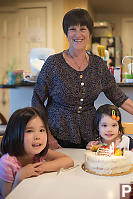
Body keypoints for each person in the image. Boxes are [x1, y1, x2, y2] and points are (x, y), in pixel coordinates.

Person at [32, 8, 133, 149]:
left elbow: (119, 97)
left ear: (90, 33)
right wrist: (47, 135)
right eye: (72, 29)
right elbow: (37, 100)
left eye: (83, 29)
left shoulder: (98, 64)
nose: (78, 34)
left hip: (89, 136)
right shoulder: (53, 63)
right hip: (57, 135)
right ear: (66, 32)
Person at [0, 107, 74, 198]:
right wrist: (20, 176)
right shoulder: (7, 162)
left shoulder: (39, 153)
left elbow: (68, 161)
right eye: (29, 131)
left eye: (41, 130)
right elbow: (6, 197)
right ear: (15, 133)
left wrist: (42, 167)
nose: (37, 136)